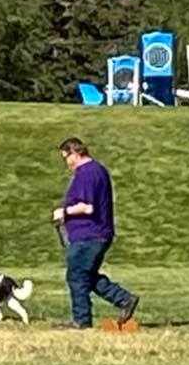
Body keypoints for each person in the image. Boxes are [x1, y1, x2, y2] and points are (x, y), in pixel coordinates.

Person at [52, 137, 139, 329]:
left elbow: (87, 207)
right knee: (86, 276)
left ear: (75, 153)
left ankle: (81, 321)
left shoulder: (87, 173)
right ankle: (124, 299)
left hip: (89, 235)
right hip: (95, 234)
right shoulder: (96, 171)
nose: (66, 162)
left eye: (66, 157)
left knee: (76, 276)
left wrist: (64, 212)